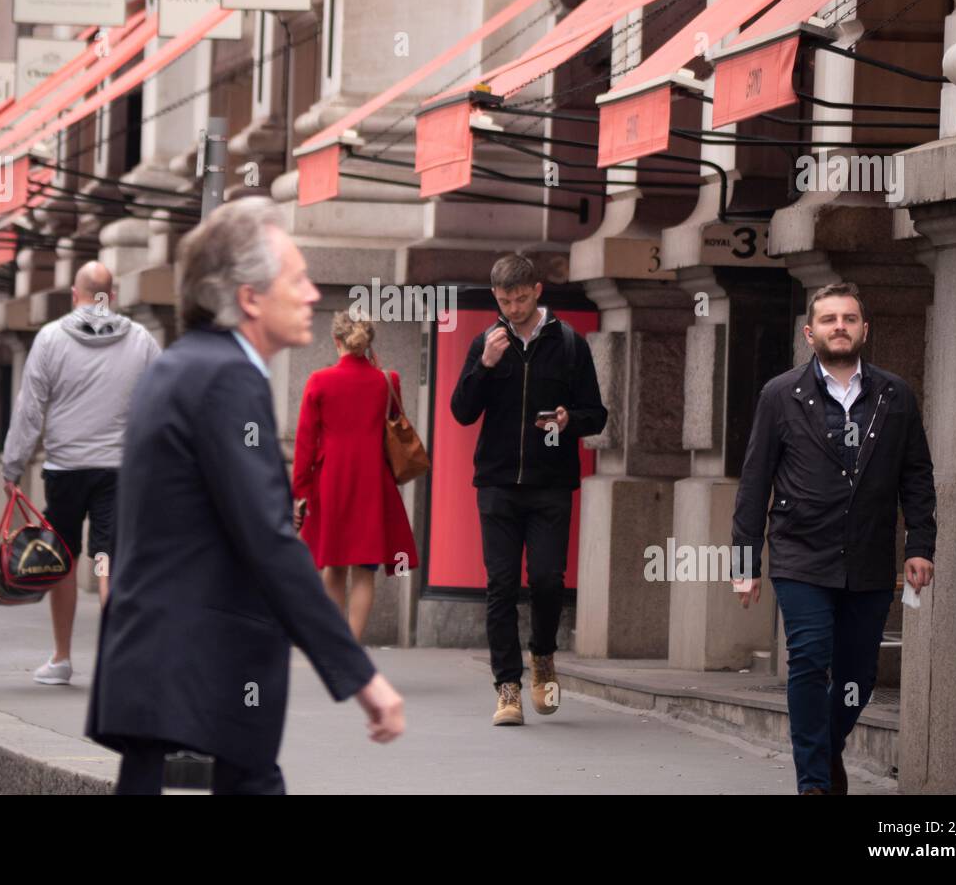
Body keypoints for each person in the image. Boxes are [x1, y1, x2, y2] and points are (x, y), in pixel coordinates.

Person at [87, 197, 405, 795]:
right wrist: (362, 676)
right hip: (202, 661)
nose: (313, 293)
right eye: (298, 278)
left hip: (173, 657)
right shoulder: (226, 379)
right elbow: (270, 539)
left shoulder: (183, 366)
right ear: (251, 297)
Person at [731, 282, 937, 796]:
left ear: (865, 329)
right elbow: (754, 482)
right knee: (808, 658)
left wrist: (920, 546)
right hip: (800, 556)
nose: (839, 326)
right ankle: (815, 784)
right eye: (829, 319)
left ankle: (827, 746)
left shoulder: (895, 395)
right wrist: (743, 562)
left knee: (858, 675)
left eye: (849, 318)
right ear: (810, 333)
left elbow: (916, 475)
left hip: (868, 557)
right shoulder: (780, 395)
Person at [450, 253, 607, 726]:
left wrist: (567, 419)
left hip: (550, 486)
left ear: (537, 290)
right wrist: (484, 364)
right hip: (497, 484)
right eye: (504, 300)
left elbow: (595, 414)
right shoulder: (486, 342)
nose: (513, 308)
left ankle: (542, 656)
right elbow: (461, 411)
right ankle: (508, 688)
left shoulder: (569, 344)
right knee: (500, 585)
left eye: (520, 298)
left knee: (545, 580)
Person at [0, 261, 161, 686]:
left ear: (76, 293)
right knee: (108, 562)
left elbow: (30, 407)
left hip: (65, 469)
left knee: (63, 559)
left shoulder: (51, 338)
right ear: (114, 294)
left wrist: (13, 464)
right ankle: (117, 664)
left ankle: (62, 658)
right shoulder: (142, 339)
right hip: (119, 469)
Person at [292, 311, 419, 641]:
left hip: (331, 480)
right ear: (368, 342)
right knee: (365, 568)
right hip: (372, 482)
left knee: (334, 566)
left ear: (336, 341)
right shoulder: (386, 380)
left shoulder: (319, 381)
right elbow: (395, 425)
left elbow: (305, 442)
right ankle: (354, 644)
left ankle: (336, 647)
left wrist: (301, 491)